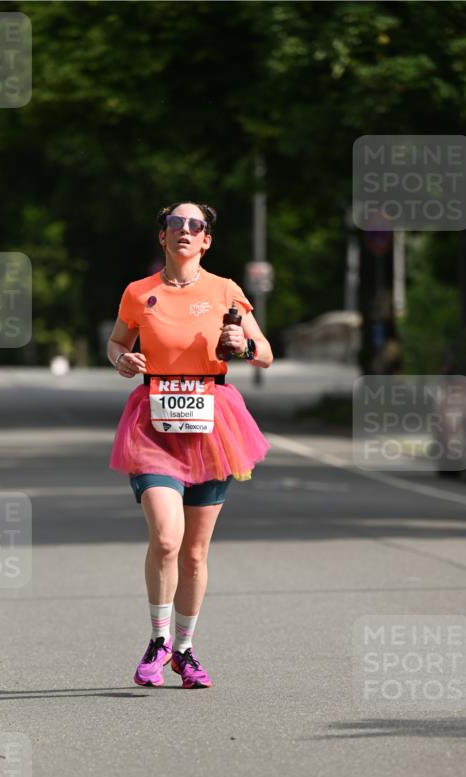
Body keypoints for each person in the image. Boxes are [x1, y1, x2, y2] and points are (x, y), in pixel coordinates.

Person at [107, 201, 273, 689]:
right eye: (175, 223)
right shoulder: (139, 292)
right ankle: (158, 641)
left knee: (195, 553)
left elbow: (264, 353)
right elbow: (117, 342)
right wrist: (122, 360)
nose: (184, 230)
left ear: (206, 240)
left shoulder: (225, 291)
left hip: (211, 426)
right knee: (165, 539)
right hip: (153, 425)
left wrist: (243, 346)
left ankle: (184, 650)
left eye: (194, 225)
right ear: (162, 236)